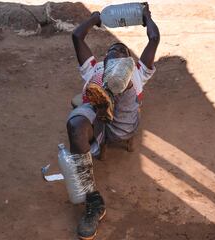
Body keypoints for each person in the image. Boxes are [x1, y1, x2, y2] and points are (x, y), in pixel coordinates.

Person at [67, 4, 160, 240]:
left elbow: (154, 37)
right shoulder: (94, 68)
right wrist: (95, 18)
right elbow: (77, 35)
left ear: (130, 57)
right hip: (96, 117)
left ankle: (107, 97)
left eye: (123, 50)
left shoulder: (139, 70)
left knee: (121, 77)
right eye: (113, 48)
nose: (117, 49)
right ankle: (93, 201)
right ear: (104, 55)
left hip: (121, 123)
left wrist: (145, 17)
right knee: (74, 126)